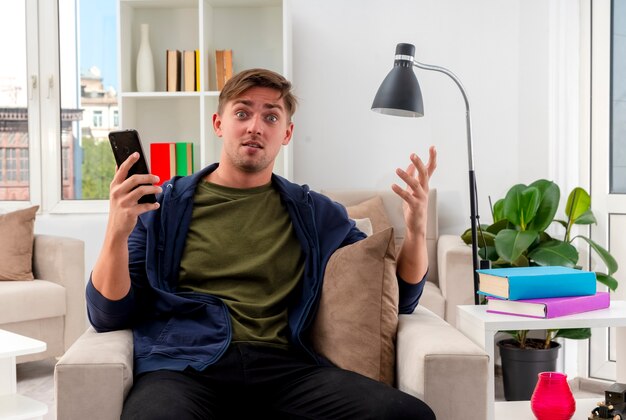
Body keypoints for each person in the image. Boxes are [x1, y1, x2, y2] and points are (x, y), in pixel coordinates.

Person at [88, 68, 437, 420]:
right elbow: (108, 314)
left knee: (407, 415)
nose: (255, 126)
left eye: (270, 116)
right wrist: (116, 231)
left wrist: (416, 229)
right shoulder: (163, 208)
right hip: (186, 367)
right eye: (242, 113)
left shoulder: (313, 212)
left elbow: (401, 299)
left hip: (285, 370)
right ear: (218, 123)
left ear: (286, 133)